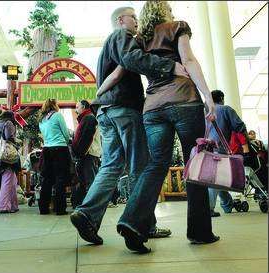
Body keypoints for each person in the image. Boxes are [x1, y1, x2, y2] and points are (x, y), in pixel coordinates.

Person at [93, 1, 219, 252]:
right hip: (184, 101)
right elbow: (189, 60)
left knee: (155, 165)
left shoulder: (140, 39)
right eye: (170, 9)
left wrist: (98, 94)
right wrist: (208, 96)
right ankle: (200, 231)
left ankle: (132, 222)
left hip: (152, 108)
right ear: (165, 12)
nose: (172, 13)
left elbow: (120, 71)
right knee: (194, 161)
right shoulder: (177, 27)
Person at [70, 5, 189, 247]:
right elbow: (133, 59)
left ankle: (86, 214)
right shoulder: (121, 36)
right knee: (140, 166)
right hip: (125, 109)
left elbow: (115, 73)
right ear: (121, 20)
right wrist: (169, 66)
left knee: (111, 165)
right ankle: (141, 224)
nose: (137, 21)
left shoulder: (110, 44)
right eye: (133, 17)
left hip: (106, 111)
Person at [206, 90, 250, 217]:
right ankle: (209, 209)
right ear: (221, 98)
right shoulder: (225, 109)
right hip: (219, 149)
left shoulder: (204, 110)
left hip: (204, 149)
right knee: (215, 180)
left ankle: (227, 204)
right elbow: (239, 126)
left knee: (218, 178)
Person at [38, 99, 71, 215]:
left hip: (46, 150)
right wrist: (66, 142)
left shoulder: (41, 120)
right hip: (60, 149)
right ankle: (60, 208)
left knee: (47, 179)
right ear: (54, 106)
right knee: (60, 179)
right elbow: (66, 134)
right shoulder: (57, 115)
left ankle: (43, 208)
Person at [71, 100, 101, 209]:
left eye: (77, 106)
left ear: (83, 106)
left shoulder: (89, 118)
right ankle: (86, 205)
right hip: (88, 154)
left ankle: (90, 207)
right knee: (87, 181)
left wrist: (80, 153)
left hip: (88, 154)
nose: (76, 109)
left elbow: (87, 138)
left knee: (89, 182)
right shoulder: (87, 118)